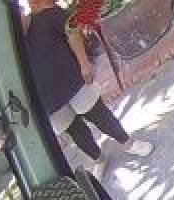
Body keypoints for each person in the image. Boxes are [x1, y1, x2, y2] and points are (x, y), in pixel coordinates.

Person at [21, 0, 152, 171]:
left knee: (98, 114)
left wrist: (84, 63)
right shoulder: (11, 50)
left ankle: (129, 143)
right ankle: (99, 159)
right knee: (75, 131)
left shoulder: (47, 15)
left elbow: (73, 32)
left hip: (74, 80)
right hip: (48, 100)